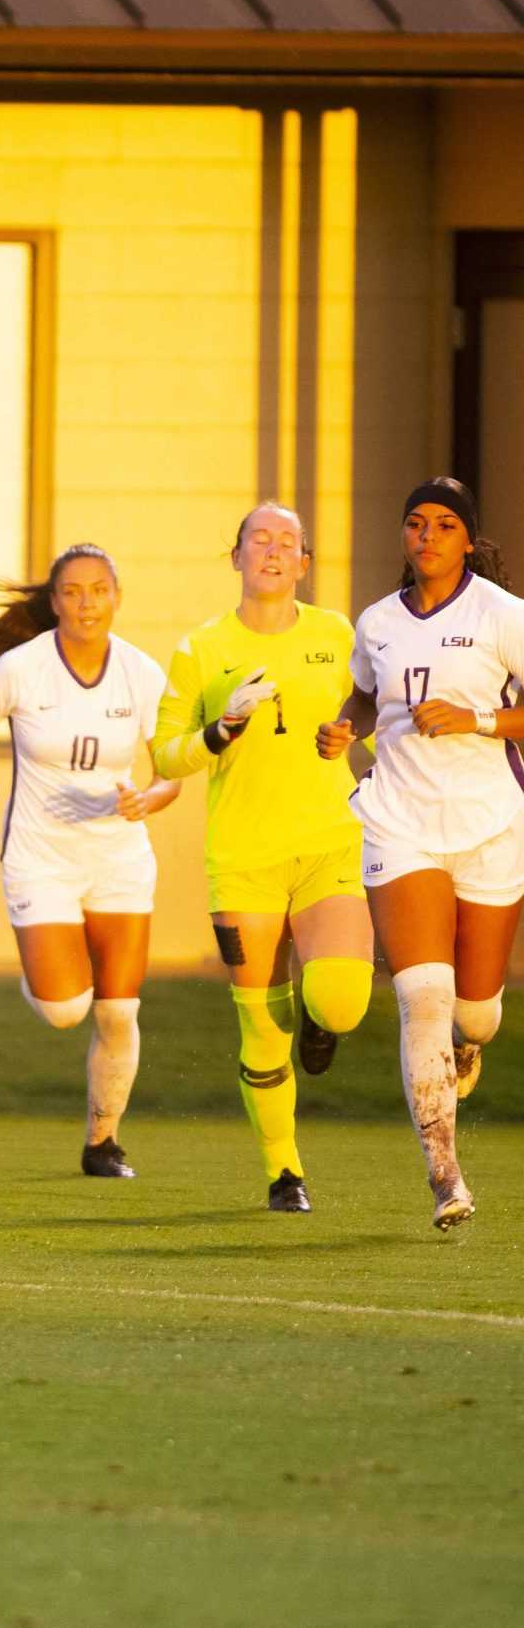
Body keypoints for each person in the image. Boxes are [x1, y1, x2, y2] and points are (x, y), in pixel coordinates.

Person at [0, 545, 179, 1179]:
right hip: (40, 857)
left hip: (119, 858)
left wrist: (151, 798)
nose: (86, 603)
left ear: (116, 597)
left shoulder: (141, 673)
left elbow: (172, 774)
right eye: (73, 592)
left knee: (118, 1010)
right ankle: (43, 969)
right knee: (64, 1010)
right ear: (54, 602)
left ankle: (104, 1141)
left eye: (99, 590)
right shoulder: (19, 669)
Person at [317, 479, 523, 1230]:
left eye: (444, 525)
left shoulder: (505, 616)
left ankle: (469, 1048)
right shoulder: (376, 621)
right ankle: (445, 1174)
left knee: (477, 1011)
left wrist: (478, 718)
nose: (426, 535)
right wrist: (342, 728)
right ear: (403, 537)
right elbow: (366, 699)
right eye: (414, 523)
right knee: (423, 998)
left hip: (491, 824)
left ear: (469, 540)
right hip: (399, 820)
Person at [151, 504, 369, 1214]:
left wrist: (352, 743)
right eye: (260, 540)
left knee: (339, 999)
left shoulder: (338, 634)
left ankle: (322, 1015)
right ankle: (285, 1173)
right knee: (261, 1026)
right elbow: (165, 752)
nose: (274, 552)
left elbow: (368, 717)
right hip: (243, 860)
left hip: (330, 842)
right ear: (237, 557)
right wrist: (219, 730)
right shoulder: (200, 649)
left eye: (288, 543)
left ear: (304, 562)